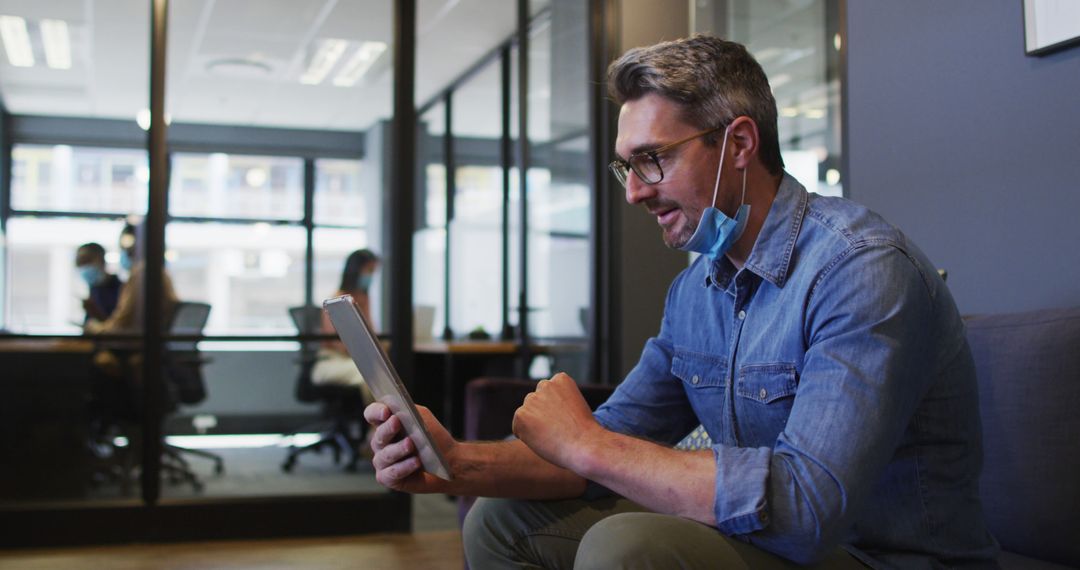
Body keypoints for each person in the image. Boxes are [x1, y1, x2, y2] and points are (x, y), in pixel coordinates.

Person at [364, 35, 999, 569]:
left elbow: (809, 508)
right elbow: (608, 441)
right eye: (626, 168)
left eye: (652, 161)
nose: (635, 193)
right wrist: (457, 461)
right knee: (499, 522)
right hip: (773, 543)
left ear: (739, 145)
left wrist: (586, 444)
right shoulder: (697, 290)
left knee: (627, 545)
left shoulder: (860, 269)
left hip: (879, 556)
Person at [85, 222, 179, 336]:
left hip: (136, 347)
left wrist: (94, 327)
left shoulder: (142, 275)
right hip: (146, 342)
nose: (124, 253)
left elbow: (121, 323)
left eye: (125, 248)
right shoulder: (156, 272)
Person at [312, 248, 378, 404]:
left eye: (373, 271)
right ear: (356, 270)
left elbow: (370, 332)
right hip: (331, 361)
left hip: (355, 360)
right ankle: (375, 426)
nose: (371, 276)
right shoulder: (337, 301)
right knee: (372, 377)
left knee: (384, 374)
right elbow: (339, 344)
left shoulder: (364, 298)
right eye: (368, 270)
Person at [75, 242, 123, 324]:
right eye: (79, 263)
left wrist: (95, 312)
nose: (83, 267)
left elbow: (117, 327)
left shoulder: (121, 289)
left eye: (86, 261)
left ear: (101, 259)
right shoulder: (94, 288)